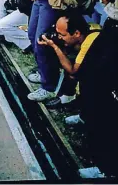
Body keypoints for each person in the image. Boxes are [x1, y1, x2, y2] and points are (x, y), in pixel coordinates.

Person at [38, 12, 117, 178]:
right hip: (98, 83)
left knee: (101, 130)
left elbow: (73, 71)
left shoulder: (91, 42)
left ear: (77, 33)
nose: (59, 37)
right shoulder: (90, 34)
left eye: (62, 34)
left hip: (104, 90)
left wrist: (55, 47)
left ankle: (105, 171)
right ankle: (84, 115)